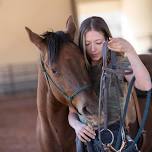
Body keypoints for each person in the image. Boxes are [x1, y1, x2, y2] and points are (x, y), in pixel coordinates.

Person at [68, 16, 151, 152]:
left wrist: (130, 51)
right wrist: (77, 126)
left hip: (116, 137)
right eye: (87, 44)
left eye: (98, 42)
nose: (93, 49)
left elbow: (145, 85)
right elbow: (71, 112)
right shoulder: (77, 70)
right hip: (86, 141)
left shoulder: (117, 62)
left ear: (107, 40)